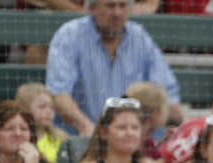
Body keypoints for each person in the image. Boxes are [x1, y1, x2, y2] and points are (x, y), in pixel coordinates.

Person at [47, 0, 181, 136]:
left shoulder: (139, 37)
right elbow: (59, 95)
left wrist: (180, 126)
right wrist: (87, 128)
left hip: (131, 137)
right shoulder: (69, 35)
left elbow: (167, 91)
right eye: (110, 6)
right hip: (78, 135)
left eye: (122, 6)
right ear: (92, 8)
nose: (117, 13)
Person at [15, 82, 70, 163]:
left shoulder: (60, 138)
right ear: (25, 109)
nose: (49, 112)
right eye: (42, 107)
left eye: (51, 107)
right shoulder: (17, 139)